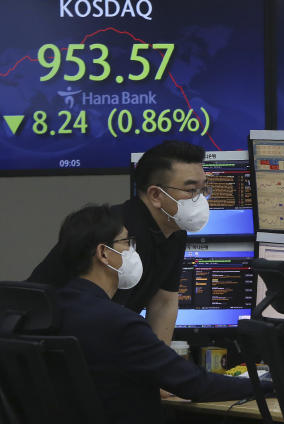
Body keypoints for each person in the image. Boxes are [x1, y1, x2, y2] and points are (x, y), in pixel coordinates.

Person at [51, 204, 256, 423]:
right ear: (103, 253)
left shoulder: (52, 311)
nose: (133, 251)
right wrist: (269, 386)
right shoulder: (120, 324)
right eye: (127, 243)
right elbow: (195, 384)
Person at [29, 140, 210, 345]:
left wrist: (161, 370)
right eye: (191, 190)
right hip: (48, 346)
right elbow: (97, 314)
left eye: (203, 189)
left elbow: (163, 303)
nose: (201, 199)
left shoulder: (175, 232)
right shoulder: (117, 234)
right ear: (156, 195)